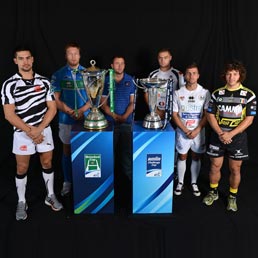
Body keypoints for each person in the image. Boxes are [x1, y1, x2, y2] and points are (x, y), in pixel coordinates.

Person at [1, 45, 63, 220]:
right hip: (22, 132)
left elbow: (52, 109)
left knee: (48, 162)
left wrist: (39, 129)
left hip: (43, 129)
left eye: (28, 58)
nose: (25, 61)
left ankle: (50, 195)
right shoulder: (9, 84)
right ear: (15, 61)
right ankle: (22, 201)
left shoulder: (45, 82)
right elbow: (9, 114)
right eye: (21, 58)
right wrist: (31, 131)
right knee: (22, 167)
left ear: (33, 59)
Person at [203, 60, 256, 212]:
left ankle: (232, 196)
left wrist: (230, 134)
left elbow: (249, 119)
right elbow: (210, 114)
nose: (231, 77)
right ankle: (213, 192)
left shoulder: (248, 95)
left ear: (240, 76)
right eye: (228, 74)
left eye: (235, 74)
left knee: (235, 169)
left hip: (237, 138)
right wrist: (221, 133)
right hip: (218, 136)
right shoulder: (217, 93)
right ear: (224, 76)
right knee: (215, 166)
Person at [51, 42, 91, 196]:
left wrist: (81, 111)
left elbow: (93, 96)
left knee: (87, 150)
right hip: (66, 119)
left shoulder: (88, 73)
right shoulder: (58, 74)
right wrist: (69, 111)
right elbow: (55, 99)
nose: (73, 56)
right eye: (70, 53)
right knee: (67, 150)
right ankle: (67, 181)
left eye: (76, 53)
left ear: (80, 55)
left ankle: (85, 180)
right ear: (66, 55)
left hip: (85, 118)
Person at [101, 55, 136, 210]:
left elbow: (132, 102)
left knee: (127, 155)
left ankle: (130, 186)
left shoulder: (130, 80)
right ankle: (109, 187)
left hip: (127, 124)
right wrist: (114, 116)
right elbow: (102, 103)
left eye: (122, 63)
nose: (120, 66)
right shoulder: (106, 80)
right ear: (112, 65)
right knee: (110, 155)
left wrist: (124, 117)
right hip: (109, 124)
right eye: (117, 63)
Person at [173, 62, 210, 196]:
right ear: (185, 76)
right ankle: (181, 182)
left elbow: (207, 114)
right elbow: (174, 114)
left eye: (194, 73)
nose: (191, 75)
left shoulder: (205, 92)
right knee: (182, 156)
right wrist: (185, 130)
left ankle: (194, 182)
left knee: (196, 156)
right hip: (183, 131)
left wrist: (196, 130)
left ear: (198, 75)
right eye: (189, 73)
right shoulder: (178, 93)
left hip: (198, 131)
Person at [144, 48, 185, 120]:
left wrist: (174, 111)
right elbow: (146, 94)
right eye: (160, 58)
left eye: (165, 58)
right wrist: (155, 110)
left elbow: (183, 94)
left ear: (170, 58)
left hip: (174, 113)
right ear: (157, 59)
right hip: (156, 112)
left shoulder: (178, 74)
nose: (162, 60)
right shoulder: (152, 74)